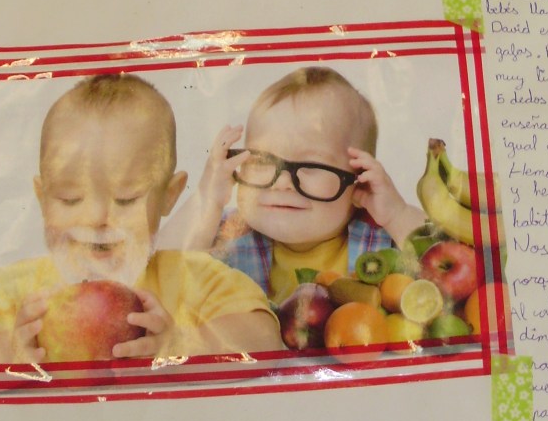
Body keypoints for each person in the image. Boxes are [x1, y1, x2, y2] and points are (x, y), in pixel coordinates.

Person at [0, 74, 282, 364]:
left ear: (169, 195)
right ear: (42, 198)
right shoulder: (16, 288)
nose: (96, 218)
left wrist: (180, 345)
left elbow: (264, 339)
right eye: (69, 199)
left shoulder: (193, 276)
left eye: (126, 199)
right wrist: (11, 350)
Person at [159, 66, 426, 303]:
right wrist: (206, 200)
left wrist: (397, 214)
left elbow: (444, 259)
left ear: (359, 181)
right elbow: (157, 272)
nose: (282, 182)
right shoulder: (226, 234)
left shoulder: (382, 241)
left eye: (310, 165)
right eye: (262, 160)